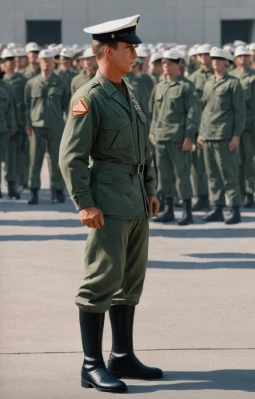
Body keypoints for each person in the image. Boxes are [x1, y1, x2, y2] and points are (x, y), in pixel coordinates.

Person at [59, 15, 162, 393]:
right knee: (101, 279)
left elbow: (143, 147)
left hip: (134, 199)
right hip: (107, 201)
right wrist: (84, 203)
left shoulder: (127, 92)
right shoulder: (90, 96)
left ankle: (122, 356)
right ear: (108, 51)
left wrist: (150, 187)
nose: (135, 53)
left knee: (129, 281)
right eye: (129, 47)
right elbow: (71, 156)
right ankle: (91, 364)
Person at [150, 50, 200, 225]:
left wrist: (189, 137)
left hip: (178, 138)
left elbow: (193, 114)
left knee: (182, 174)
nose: (166, 66)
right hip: (161, 137)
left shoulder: (186, 87)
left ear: (179, 65)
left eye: (170, 63)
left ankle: (187, 211)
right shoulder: (159, 86)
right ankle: (168, 210)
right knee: (164, 177)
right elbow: (154, 112)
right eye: (164, 63)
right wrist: (153, 131)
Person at [197, 47, 245, 224]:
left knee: (228, 173)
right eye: (213, 59)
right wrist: (201, 133)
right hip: (209, 134)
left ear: (226, 62)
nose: (215, 62)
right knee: (212, 174)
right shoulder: (209, 82)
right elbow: (205, 110)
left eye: (219, 59)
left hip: (224, 135)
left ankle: (234, 208)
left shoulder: (233, 83)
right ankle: (216, 207)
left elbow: (240, 112)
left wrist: (236, 136)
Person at [24, 48, 71, 204]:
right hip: (36, 126)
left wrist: (68, 126)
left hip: (56, 126)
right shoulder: (32, 83)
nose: (45, 64)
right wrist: (27, 123)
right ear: (39, 62)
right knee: (35, 160)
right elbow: (26, 105)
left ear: (53, 63)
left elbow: (67, 106)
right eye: (43, 61)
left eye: (49, 61)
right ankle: (34, 191)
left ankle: (58, 189)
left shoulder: (61, 83)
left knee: (57, 160)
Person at [230, 45, 255, 208]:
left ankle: (249, 192)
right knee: (235, 161)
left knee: (249, 160)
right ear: (235, 59)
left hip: (249, 126)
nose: (243, 59)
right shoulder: (231, 77)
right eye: (240, 56)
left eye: (245, 56)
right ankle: (239, 191)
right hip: (234, 126)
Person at [188, 43, 213, 211]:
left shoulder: (217, 76)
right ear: (196, 58)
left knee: (213, 165)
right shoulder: (192, 78)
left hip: (213, 125)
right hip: (198, 125)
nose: (204, 58)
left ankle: (217, 198)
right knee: (197, 165)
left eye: (207, 55)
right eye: (201, 55)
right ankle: (201, 196)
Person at [2, 48, 27, 196]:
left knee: (13, 159)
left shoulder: (20, 80)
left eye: (11, 60)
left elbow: (21, 105)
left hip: (13, 125)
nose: (9, 64)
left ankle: (14, 185)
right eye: (6, 61)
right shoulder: (2, 81)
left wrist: (21, 124)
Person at [0, 68, 18, 199]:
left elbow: (11, 109)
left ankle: (11, 187)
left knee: (9, 160)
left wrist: (13, 127)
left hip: (4, 130)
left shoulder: (6, 89)